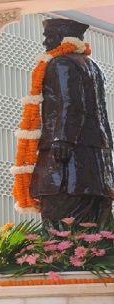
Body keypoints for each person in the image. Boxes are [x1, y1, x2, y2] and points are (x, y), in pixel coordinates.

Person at [30, 18, 114, 228]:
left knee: (60, 223)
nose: (45, 42)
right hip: (96, 163)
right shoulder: (93, 65)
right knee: (93, 228)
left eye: (49, 36)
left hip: (68, 159)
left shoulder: (61, 63)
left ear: (61, 36)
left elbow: (71, 103)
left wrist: (63, 139)